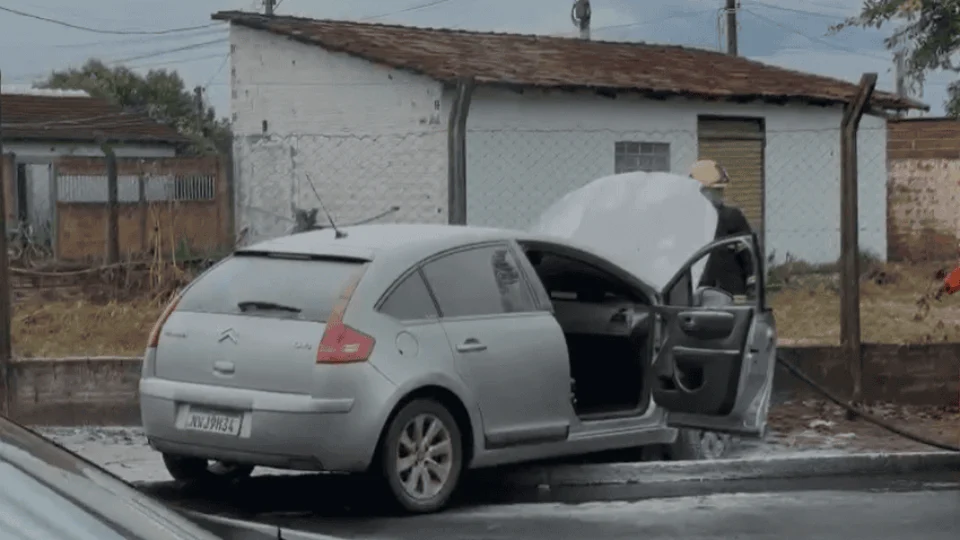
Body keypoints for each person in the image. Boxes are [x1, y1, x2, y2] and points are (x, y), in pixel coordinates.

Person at [689, 159, 755, 297]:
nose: (720, 195)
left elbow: (748, 256)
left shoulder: (732, 217)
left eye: (720, 190)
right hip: (696, 295)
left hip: (729, 295)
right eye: (715, 190)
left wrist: (752, 285)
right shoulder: (686, 219)